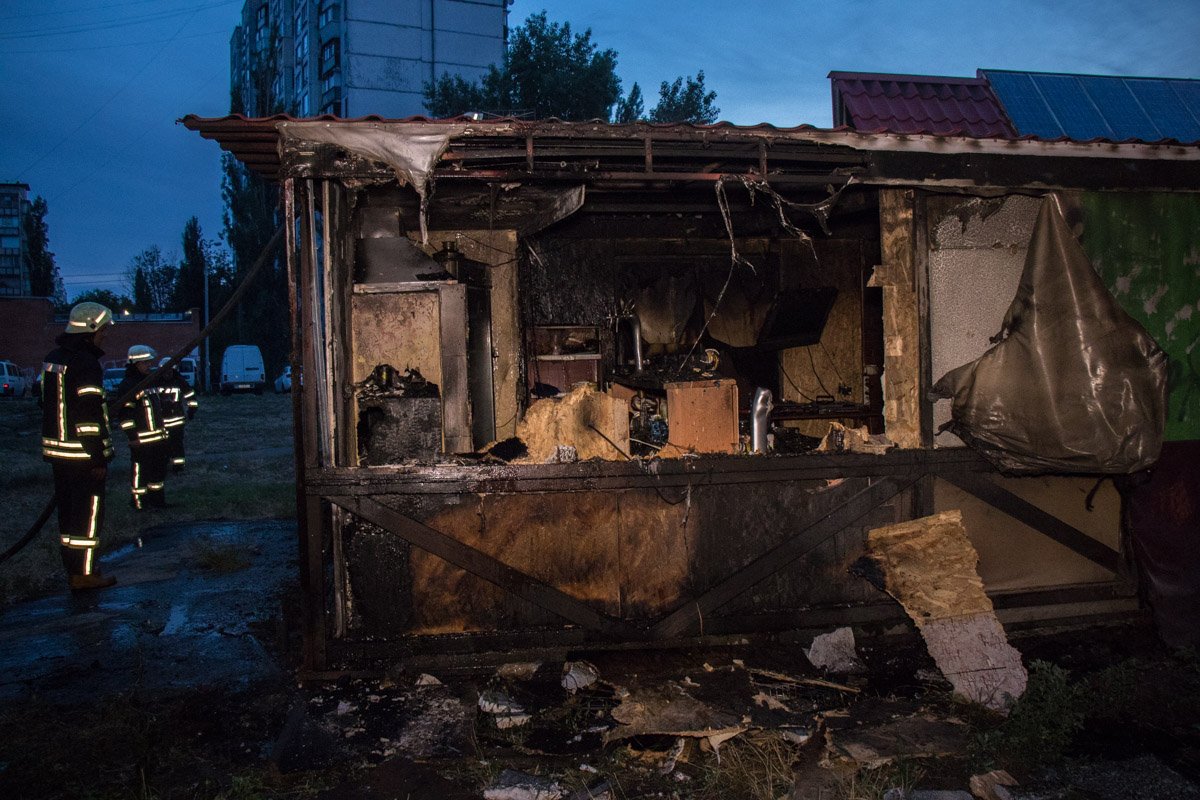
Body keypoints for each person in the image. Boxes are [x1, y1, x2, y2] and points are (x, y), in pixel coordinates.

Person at [40, 302, 117, 591]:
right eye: (104, 330)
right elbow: (88, 417)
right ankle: (85, 575)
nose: (106, 335)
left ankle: (74, 571)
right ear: (91, 330)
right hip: (83, 456)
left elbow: (48, 403)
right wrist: (97, 458)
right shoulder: (85, 363)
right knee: (86, 517)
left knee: (69, 519)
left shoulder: (53, 360)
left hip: (59, 456)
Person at [117, 345, 169, 510]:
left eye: (150, 362)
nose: (149, 365)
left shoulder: (149, 382)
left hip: (158, 439)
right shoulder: (129, 386)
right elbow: (125, 416)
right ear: (135, 364)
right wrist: (133, 437)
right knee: (141, 473)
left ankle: (157, 502)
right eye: (145, 363)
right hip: (141, 441)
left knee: (158, 473)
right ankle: (139, 503)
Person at [153, 357, 197, 472]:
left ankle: (178, 467)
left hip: (177, 420)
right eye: (165, 371)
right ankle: (163, 464)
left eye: (169, 371)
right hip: (160, 421)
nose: (167, 373)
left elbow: (190, 396)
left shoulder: (179, 381)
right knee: (161, 445)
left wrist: (191, 410)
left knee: (177, 444)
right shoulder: (155, 381)